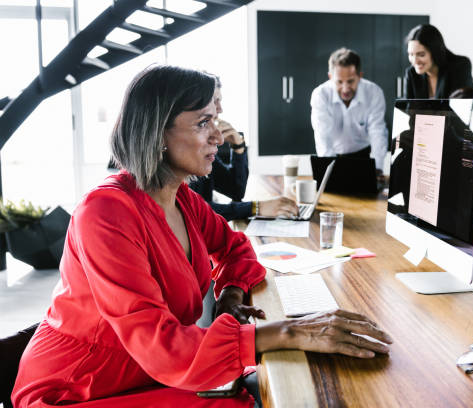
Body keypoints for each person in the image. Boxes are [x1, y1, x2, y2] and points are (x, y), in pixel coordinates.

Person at [11, 65, 392, 408]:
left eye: (215, 121)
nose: (218, 138)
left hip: (144, 375)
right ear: (157, 132)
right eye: (202, 123)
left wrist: (230, 297)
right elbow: (161, 348)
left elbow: (235, 247)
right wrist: (288, 330)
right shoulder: (105, 213)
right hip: (77, 391)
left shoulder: (181, 199)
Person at [189, 75, 298, 221]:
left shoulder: (205, 147)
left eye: (219, 101)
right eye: (215, 101)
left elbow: (235, 190)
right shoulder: (186, 151)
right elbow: (196, 213)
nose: (220, 109)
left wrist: (238, 146)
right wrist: (256, 208)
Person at [310, 47, 388, 177]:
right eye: (339, 82)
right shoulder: (320, 95)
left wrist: (378, 168)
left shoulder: (374, 93)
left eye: (351, 81)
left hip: (363, 156)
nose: (345, 89)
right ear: (330, 77)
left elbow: (378, 132)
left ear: (360, 76)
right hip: (332, 156)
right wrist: (328, 171)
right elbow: (322, 136)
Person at [404, 24, 473, 99]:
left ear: (435, 51)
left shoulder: (460, 66)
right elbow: (408, 108)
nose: (415, 61)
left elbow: (462, 104)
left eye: (421, 54)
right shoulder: (411, 73)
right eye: (411, 54)